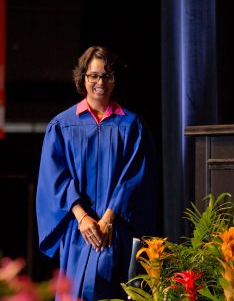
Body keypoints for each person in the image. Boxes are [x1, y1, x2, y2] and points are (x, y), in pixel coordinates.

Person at [36, 46, 159, 300]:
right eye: (93, 75)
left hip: (118, 231)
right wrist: (82, 217)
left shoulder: (132, 126)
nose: (99, 82)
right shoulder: (62, 125)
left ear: (114, 80)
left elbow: (135, 178)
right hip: (78, 234)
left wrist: (108, 218)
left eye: (106, 75)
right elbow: (54, 178)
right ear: (83, 78)